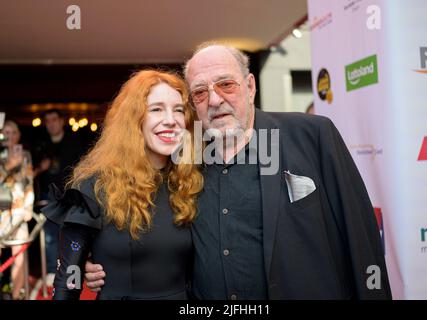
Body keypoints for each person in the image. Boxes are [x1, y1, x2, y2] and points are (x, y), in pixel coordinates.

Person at [85, 43, 391, 299]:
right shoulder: (184, 160)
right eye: (201, 93)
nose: (215, 100)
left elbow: (361, 240)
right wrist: (100, 258)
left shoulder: (312, 135)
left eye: (226, 84)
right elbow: (151, 226)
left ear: (250, 86)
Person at [41, 70, 203, 300]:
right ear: (133, 119)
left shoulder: (190, 182)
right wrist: (83, 262)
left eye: (178, 110)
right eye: (156, 109)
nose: (171, 119)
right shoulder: (93, 187)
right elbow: (68, 278)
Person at [33, 109, 84, 275]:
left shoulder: (74, 141)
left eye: (54, 119)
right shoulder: (41, 144)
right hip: (48, 197)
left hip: (71, 195)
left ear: (62, 121)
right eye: (47, 121)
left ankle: (73, 270)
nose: (51, 124)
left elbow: (85, 167)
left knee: (72, 235)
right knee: (50, 238)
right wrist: (42, 167)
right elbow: (30, 172)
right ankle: (51, 272)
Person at [0, 120, 34, 300]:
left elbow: (28, 181)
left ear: (18, 135)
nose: (10, 136)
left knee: (19, 255)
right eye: (6, 132)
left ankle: (16, 295)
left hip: (19, 209)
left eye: (13, 132)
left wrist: (28, 206)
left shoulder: (25, 154)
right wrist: (9, 166)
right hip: (1, 210)